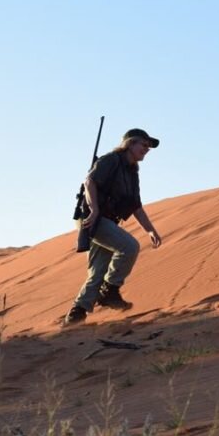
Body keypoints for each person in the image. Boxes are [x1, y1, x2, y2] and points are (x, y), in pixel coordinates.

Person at [63, 128, 163, 325]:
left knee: (98, 272)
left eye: (149, 146)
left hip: (106, 220)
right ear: (130, 143)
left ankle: (77, 313)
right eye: (143, 144)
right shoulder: (112, 160)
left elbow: (135, 205)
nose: (147, 149)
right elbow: (89, 181)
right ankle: (110, 290)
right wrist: (94, 209)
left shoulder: (132, 172)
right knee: (129, 247)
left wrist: (150, 229)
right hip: (93, 220)